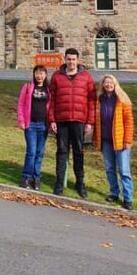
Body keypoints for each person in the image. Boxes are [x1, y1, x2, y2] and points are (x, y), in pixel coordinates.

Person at [49, 48, 95, 198]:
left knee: (78, 152)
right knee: (62, 152)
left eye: (73, 59)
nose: (71, 62)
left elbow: (91, 101)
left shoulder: (86, 77)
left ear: (78, 60)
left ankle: (80, 183)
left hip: (79, 120)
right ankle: (59, 182)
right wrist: (52, 119)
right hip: (62, 120)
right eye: (69, 59)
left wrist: (90, 122)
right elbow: (52, 100)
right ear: (65, 59)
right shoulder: (57, 76)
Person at [94, 74, 135, 210]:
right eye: (106, 83)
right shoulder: (99, 99)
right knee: (110, 168)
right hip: (106, 140)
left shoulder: (122, 99)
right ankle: (114, 193)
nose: (108, 85)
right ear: (103, 85)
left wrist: (127, 139)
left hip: (120, 140)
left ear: (115, 84)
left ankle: (128, 198)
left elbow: (129, 122)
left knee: (124, 170)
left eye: (111, 83)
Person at [17, 65, 51, 190]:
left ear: (46, 75)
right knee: (31, 152)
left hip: (43, 125)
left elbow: (51, 107)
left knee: (39, 153)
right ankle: (26, 177)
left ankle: (36, 178)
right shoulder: (27, 87)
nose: (40, 76)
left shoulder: (49, 90)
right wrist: (21, 120)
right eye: (37, 73)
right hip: (30, 124)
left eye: (42, 73)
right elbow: (21, 104)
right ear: (34, 74)